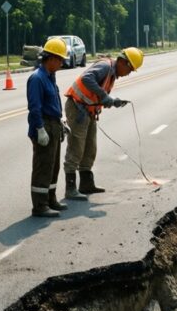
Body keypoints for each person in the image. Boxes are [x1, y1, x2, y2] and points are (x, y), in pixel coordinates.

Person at [63, 47, 144, 199]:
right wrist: (105, 96)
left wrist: (111, 102)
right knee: (76, 148)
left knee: (90, 148)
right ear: (122, 62)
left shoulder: (111, 74)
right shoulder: (106, 66)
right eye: (130, 69)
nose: (129, 73)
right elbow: (87, 78)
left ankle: (86, 184)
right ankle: (70, 188)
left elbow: (98, 94)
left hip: (89, 111)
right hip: (77, 108)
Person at [27, 38, 69, 217]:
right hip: (43, 125)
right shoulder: (37, 78)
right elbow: (34, 107)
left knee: (53, 166)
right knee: (43, 166)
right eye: (59, 59)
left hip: (53, 124)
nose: (61, 63)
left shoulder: (51, 77)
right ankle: (40, 205)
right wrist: (39, 129)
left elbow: (54, 103)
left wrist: (61, 121)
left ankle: (51, 198)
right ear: (50, 58)